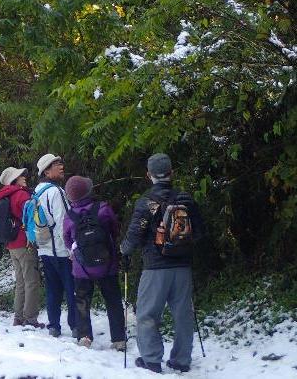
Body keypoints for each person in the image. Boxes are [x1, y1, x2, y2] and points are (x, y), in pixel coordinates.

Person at [120, 153, 205, 374]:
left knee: (148, 314)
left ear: (148, 175)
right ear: (171, 173)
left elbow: (134, 236)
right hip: (182, 266)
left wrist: (124, 252)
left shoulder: (147, 202)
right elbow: (200, 233)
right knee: (183, 314)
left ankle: (151, 360)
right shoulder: (186, 199)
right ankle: (181, 360)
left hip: (156, 267)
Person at [63, 175, 126, 350]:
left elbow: (67, 241)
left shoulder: (69, 216)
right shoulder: (103, 208)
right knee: (113, 300)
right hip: (107, 264)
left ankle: (84, 336)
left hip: (82, 267)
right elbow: (114, 230)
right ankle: (119, 339)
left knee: (82, 300)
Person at [0, 167, 44, 328]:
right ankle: (30, 318)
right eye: (21, 175)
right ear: (14, 180)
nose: (24, 177)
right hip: (24, 242)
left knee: (21, 281)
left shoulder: (3, 196)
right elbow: (32, 217)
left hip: (11, 244)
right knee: (31, 281)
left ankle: (18, 317)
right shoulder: (21, 194)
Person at [34, 154, 77, 338]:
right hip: (60, 250)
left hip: (44, 248)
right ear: (46, 171)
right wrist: (71, 249)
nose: (61, 166)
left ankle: (54, 326)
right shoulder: (55, 191)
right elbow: (63, 223)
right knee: (71, 289)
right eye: (56, 164)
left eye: (60, 162)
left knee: (53, 289)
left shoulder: (37, 191)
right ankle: (76, 327)